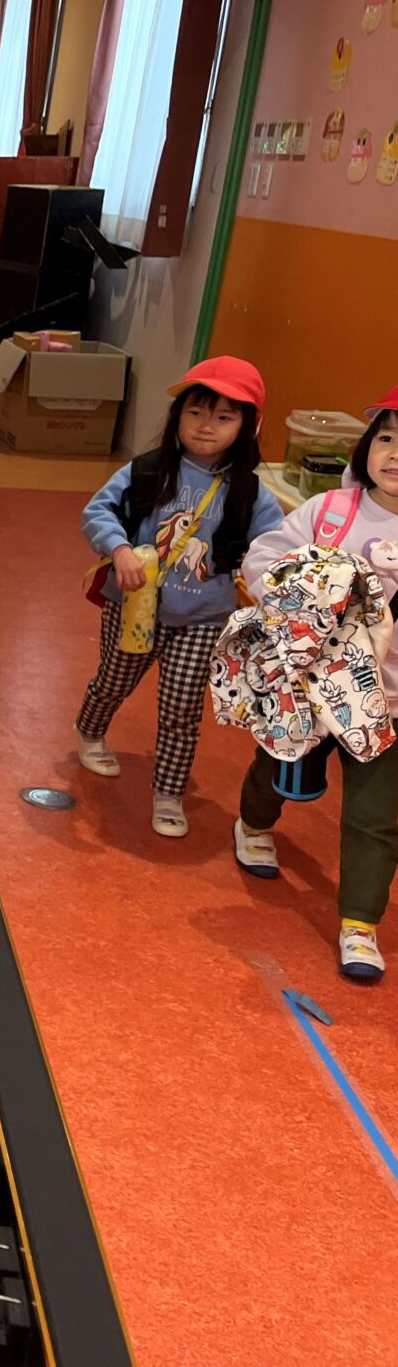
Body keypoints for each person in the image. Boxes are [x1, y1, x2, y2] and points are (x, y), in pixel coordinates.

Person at [74, 356, 283, 837]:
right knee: (113, 681)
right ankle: (89, 729)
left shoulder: (251, 494)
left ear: (248, 426)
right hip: (134, 605)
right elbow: (97, 512)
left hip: (204, 617)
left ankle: (168, 792)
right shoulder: (148, 471)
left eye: (224, 417)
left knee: (182, 709)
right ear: (178, 415)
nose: (207, 425)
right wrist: (119, 549)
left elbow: (274, 548)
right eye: (196, 411)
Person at [231, 385, 398, 983]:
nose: (395, 454)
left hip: (386, 704)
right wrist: (305, 593)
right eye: (387, 438)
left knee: (376, 815)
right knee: (279, 765)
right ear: (367, 445)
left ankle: (360, 923)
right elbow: (264, 558)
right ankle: (253, 825)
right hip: (309, 686)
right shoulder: (331, 511)